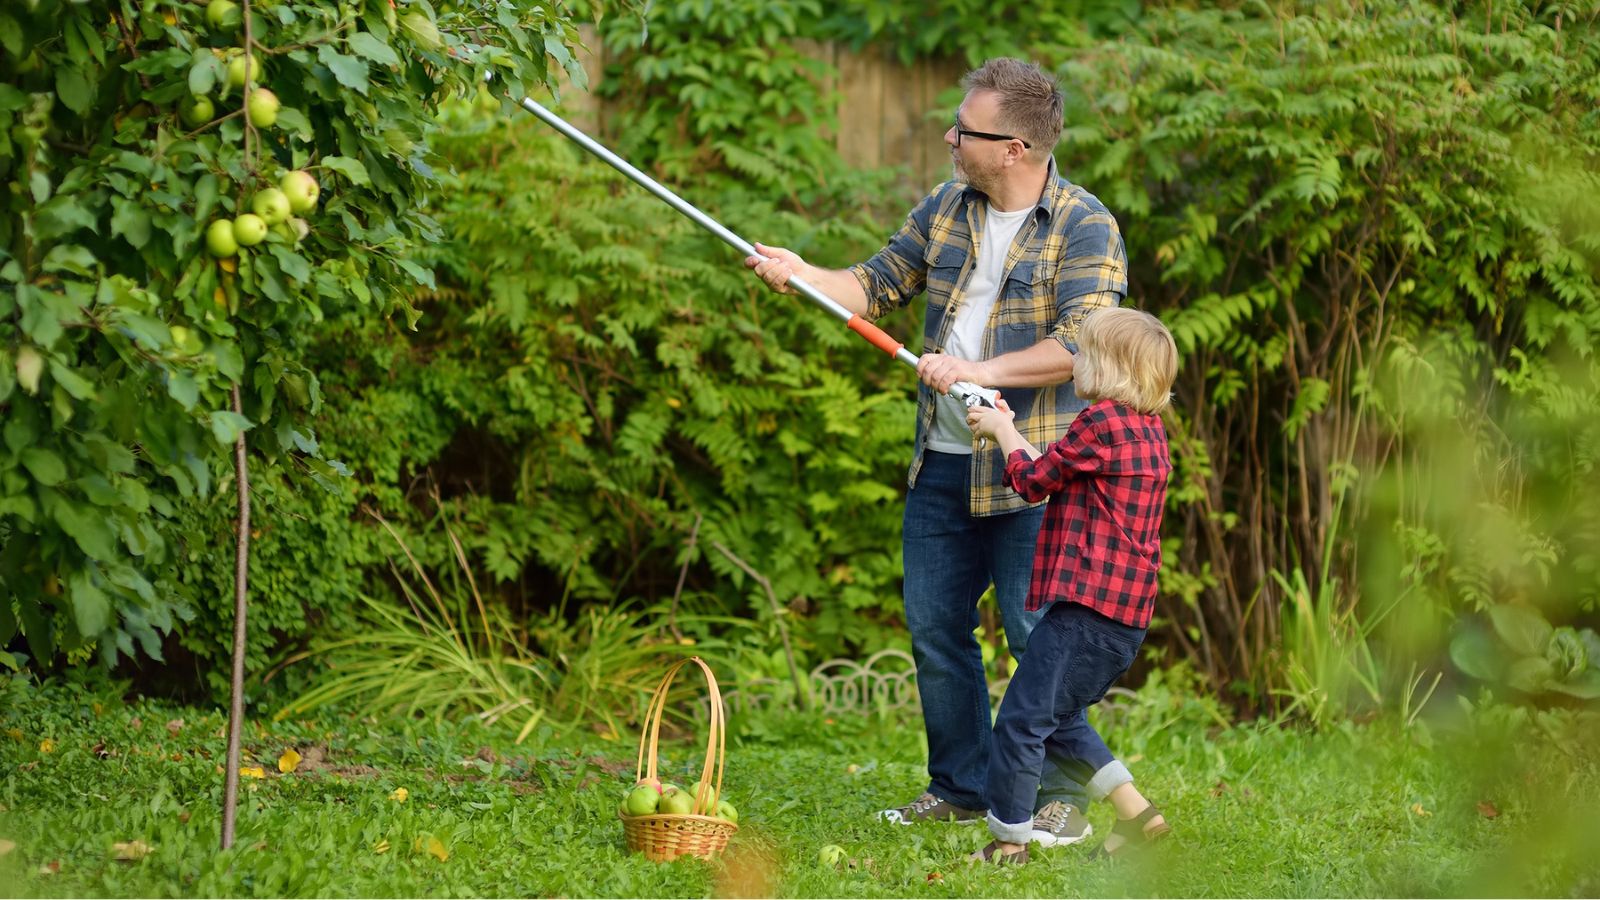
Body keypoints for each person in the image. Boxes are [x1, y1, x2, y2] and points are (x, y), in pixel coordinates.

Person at [746, 57, 1127, 845]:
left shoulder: (1085, 224)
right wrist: (801, 273)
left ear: (1016, 146)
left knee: (1038, 640)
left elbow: (1084, 345)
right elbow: (876, 282)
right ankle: (960, 784)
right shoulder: (948, 209)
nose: (951, 137)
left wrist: (979, 371)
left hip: (1036, 471)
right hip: (943, 463)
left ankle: (1061, 796)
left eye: (967, 129)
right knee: (934, 629)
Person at [962, 307, 1178, 864]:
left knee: (1020, 719)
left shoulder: (1101, 420)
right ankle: (1139, 818)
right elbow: (1059, 470)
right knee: (1058, 719)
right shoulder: (1147, 430)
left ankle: (1009, 842)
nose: (1073, 361)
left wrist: (1002, 430)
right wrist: (1004, 425)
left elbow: (1034, 483)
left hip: (1083, 612)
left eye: (1081, 352)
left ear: (1108, 367)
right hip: (1123, 621)